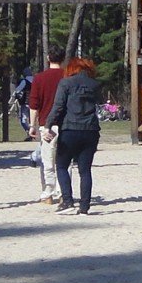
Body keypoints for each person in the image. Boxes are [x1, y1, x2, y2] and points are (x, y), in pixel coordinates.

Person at [46, 56, 103, 214]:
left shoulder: (66, 83)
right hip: (91, 130)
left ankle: (67, 201)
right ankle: (84, 207)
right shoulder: (95, 84)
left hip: (70, 129)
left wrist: (48, 125)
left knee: (62, 165)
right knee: (85, 170)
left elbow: (58, 106)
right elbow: (100, 101)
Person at [27, 50, 65, 202]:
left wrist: (32, 125)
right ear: (62, 59)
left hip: (46, 124)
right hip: (65, 124)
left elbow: (34, 104)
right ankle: (63, 192)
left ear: (48, 58)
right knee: (64, 161)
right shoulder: (67, 77)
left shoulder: (39, 78)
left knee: (47, 161)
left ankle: (48, 192)